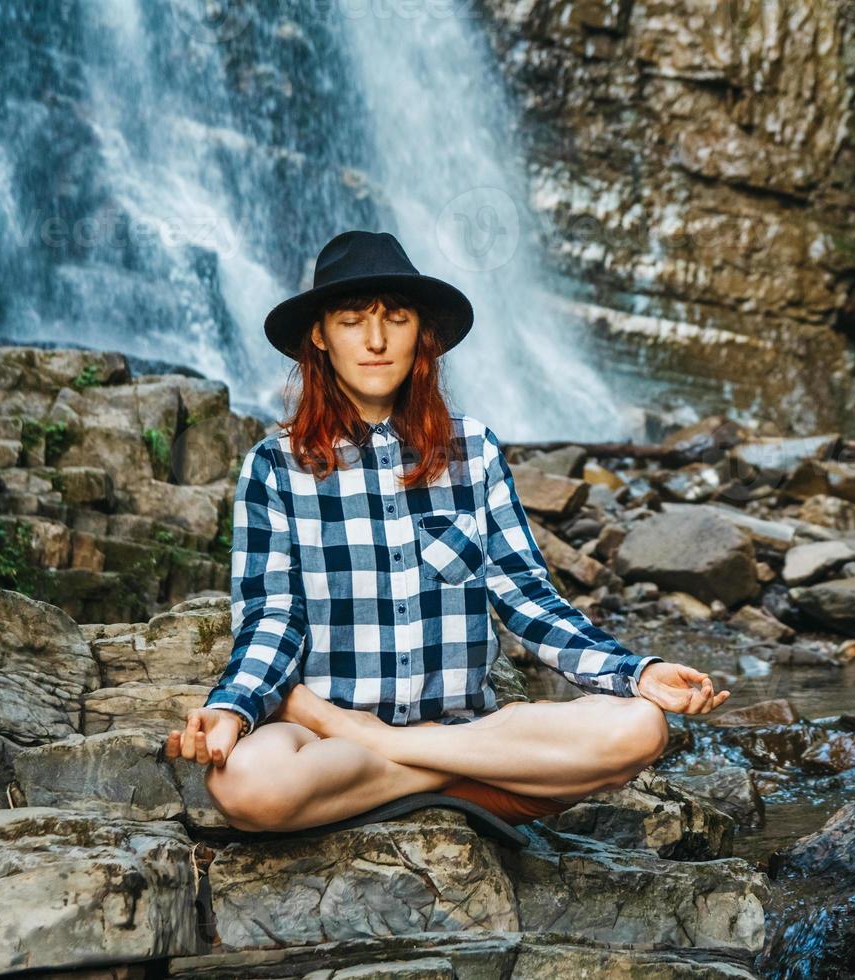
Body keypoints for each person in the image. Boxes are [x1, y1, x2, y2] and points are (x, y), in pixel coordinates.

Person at [166, 230, 729, 831]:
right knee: (248, 784)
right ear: (320, 336)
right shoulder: (275, 467)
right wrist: (234, 706)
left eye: (397, 320)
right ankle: (469, 781)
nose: (377, 341)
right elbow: (272, 618)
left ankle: (404, 756)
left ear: (421, 335)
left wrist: (635, 671)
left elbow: (527, 598)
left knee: (641, 726)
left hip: (468, 728)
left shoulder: (474, 451)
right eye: (353, 321)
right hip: (329, 741)